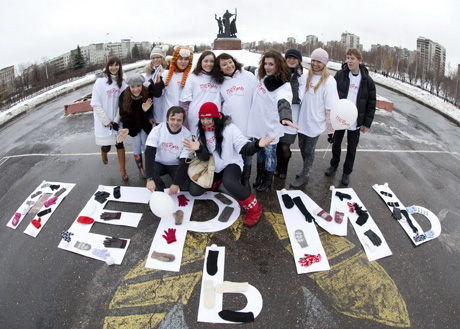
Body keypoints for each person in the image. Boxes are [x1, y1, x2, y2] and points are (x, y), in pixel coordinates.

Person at [183, 102, 275, 226]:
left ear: (215, 117)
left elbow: (244, 148)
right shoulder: (200, 132)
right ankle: (217, 180)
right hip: (213, 167)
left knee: (229, 182)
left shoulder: (229, 128)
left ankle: (255, 208)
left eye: (209, 118)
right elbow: (204, 158)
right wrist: (199, 149)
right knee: (194, 191)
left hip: (231, 164)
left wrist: (257, 145)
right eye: (203, 118)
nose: (205, 121)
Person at [246, 49, 299, 192]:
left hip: (270, 127)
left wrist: (286, 116)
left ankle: (268, 180)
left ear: (278, 66)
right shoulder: (261, 76)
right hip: (258, 125)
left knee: (270, 154)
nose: (267, 67)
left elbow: (284, 102)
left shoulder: (283, 85)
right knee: (260, 152)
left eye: (271, 64)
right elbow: (250, 69)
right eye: (265, 64)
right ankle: (260, 176)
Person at [325, 48, 376, 185]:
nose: (349, 61)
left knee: (351, 148)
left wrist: (366, 123)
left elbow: (371, 103)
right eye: (348, 58)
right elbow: (331, 94)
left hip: (356, 120)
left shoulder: (367, 81)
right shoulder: (340, 75)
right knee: (336, 143)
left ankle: (346, 172)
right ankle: (333, 165)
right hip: (340, 116)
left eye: (352, 58)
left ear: (359, 60)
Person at [291, 48, 339, 188]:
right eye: (313, 60)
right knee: (301, 146)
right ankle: (305, 169)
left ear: (324, 63)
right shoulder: (306, 76)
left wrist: (331, 130)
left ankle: (305, 174)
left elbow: (331, 107)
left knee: (309, 150)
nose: (315, 64)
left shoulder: (329, 81)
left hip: (315, 122)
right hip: (302, 120)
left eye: (319, 61)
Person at [211, 52, 257, 189]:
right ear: (219, 68)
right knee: (232, 151)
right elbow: (219, 102)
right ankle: (232, 177)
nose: (229, 66)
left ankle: (245, 179)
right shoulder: (220, 82)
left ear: (234, 61)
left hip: (247, 121)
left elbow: (257, 97)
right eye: (224, 64)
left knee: (247, 150)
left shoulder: (248, 76)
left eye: (230, 62)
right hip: (230, 123)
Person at [90, 56, 128, 181]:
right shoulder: (100, 82)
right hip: (104, 121)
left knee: (120, 144)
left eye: (117, 65)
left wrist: (116, 120)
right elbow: (96, 103)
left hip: (117, 119)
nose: (114, 68)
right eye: (111, 65)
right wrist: (106, 121)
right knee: (107, 146)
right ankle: (104, 152)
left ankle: (123, 170)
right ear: (107, 66)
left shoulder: (122, 82)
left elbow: (122, 103)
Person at [144, 106, 192, 194]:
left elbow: (184, 161)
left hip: (175, 164)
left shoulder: (187, 135)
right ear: (167, 119)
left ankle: (174, 184)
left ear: (183, 121)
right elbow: (149, 153)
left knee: (185, 187)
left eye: (179, 120)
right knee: (151, 174)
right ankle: (160, 191)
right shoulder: (157, 130)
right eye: (172, 119)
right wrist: (149, 179)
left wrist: (176, 183)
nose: (175, 123)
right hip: (158, 162)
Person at [118, 73, 154, 178]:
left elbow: (149, 112)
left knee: (145, 142)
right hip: (132, 125)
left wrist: (145, 111)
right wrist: (128, 129)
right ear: (129, 86)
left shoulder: (147, 93)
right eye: (132, 86)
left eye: (138, 86)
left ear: (142, 85)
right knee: (137, 142)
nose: (136, 89)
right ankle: (140, 169)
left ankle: (150, 167)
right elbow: (124, 115)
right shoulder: (124, 96)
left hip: (144, 124)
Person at [275, 48, 304, 180]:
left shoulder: (303, 76)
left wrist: (294, 81)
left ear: (299, 61)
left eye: (295, 58)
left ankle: (283, 169)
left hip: (293, 117)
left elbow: (299, 98)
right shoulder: (279, 73)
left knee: (285, 146)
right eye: (289, 57)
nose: (291, 60)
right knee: (277, 145)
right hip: (278, 115)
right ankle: (276, 167)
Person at [149, 46, 193, 124]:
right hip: (169, 115)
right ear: (175, 60)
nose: (183, 62)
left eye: (186, 59)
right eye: (180, 59)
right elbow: (158, 94)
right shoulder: (166, 74)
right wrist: (158, 85)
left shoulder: (191, 76)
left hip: (185, 115)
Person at [180, 50, 221, 132]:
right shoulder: (193, 77)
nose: (209, 64)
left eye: (212, 61)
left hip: (214, 118)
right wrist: (185, 122)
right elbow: (185, 102)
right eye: (206, 61)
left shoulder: (219, 78)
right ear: (200, 62)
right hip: (196, 118)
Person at [143, 45, 168, 123]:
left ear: (163, 58)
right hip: (156, 110)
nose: (155, 60)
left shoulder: (168, 72)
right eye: (153, 58)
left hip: (167, 107)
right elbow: (146, 96)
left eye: (158, 57)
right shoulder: (148, 75)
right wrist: (150, 115)